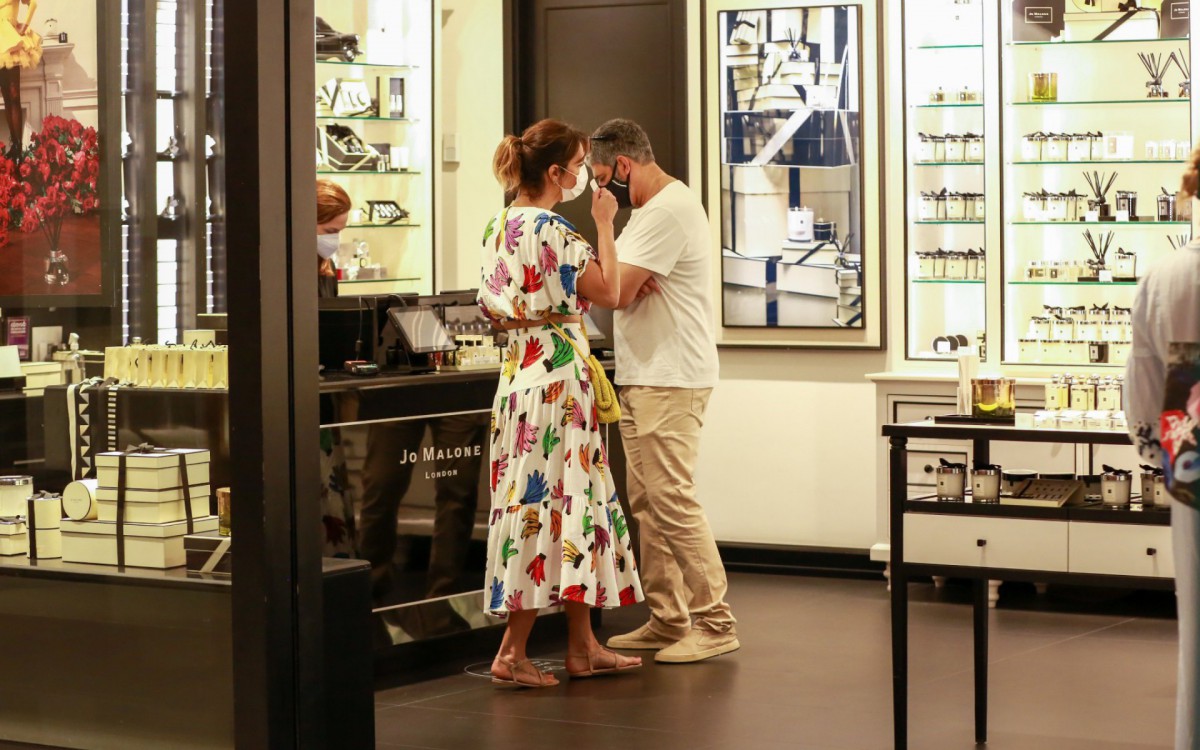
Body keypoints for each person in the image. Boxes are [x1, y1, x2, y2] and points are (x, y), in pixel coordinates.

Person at [478, 118, 644, 688]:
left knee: (563, 504)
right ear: (555, 172)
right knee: (558, 502)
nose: (581, 176)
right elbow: (612, 293)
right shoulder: (557, 231)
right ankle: (512, 651)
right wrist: (604, 225)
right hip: (558, 379)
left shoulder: (497, 225)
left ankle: (582, 645)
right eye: (576, 166)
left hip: (519, 373)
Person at [589, 118, 738, 664]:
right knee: (648, 503)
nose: (600, 192)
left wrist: (606, 234)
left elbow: (613, 289)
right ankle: (669, 616)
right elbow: (617, 284)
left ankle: (715, 622)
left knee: (672, 499)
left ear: (623, 167)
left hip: (668, 378)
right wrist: (618, 278)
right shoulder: (652, 214)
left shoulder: (664, 211)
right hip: (645, 373)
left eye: (602, 180)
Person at [1126, 145, 1200, 750]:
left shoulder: (1165, 277)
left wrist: (1165, 461)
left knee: (1198, 629)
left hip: (1193, 463)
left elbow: (1144, 400)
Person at [0, 0, 40, 162]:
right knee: (6, 97)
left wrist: (24, 25)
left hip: (10, 42)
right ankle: (14, 147)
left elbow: (32, 3)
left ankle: (17, 148)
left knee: (14, 95)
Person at [316, 178, 351, 298]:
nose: (335, 240)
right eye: (330, 231)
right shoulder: (286, 273)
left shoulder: (328, 268)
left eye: (338, 232)